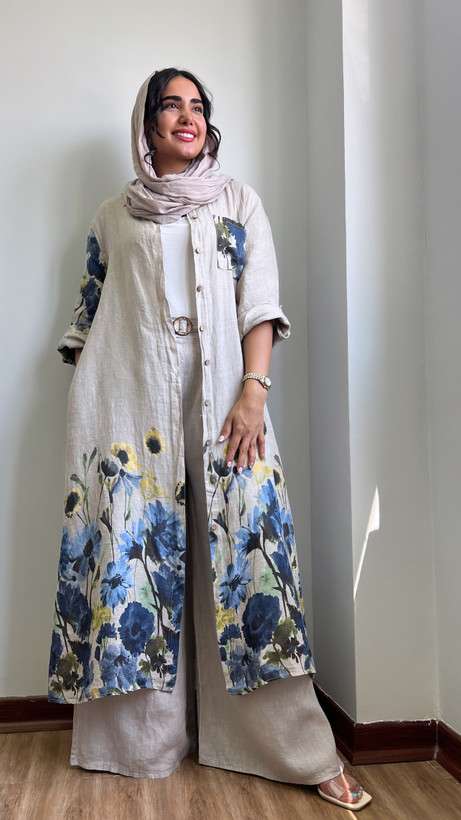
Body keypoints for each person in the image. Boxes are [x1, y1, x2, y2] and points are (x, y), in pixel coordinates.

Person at [48, 68, 371, 811]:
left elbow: (260, 303)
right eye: (171, 105)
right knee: (132, 561)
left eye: (198, 106)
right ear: (147, 123)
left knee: (251, 560)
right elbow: (87, 318)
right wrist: (92, 404)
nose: (187, 116)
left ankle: (296, 749)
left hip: (227, 396)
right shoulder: (112, 215)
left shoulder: (238, 202)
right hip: (127, 401)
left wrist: (253, 393)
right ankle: (136, 745)